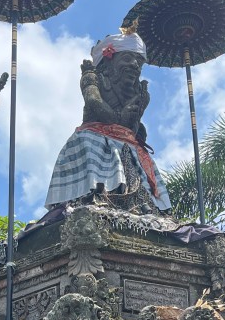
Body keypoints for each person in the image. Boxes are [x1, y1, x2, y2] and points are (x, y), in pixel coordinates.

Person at [45, 29, 172, 212]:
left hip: (127, 143)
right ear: (109, 60)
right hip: (95, 136)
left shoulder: (140, 93)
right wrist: (120, 117)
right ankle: (94, 195)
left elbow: (133, 126)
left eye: (139, 62)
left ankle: (141, 202)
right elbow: (94, 102)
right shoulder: (93, 78)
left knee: (136, 162)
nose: (135, 65)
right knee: (88, 144)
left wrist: (134, 117)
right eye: (127, 58)